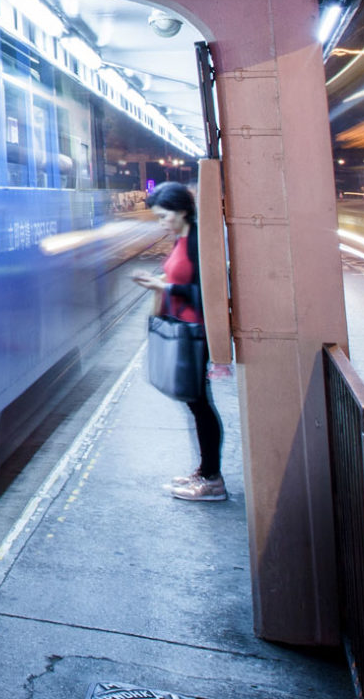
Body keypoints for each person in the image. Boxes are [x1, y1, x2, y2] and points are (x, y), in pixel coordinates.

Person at [130, 182, 223, 502]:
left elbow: (204, 290)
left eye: (164, 216)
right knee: (195, 405)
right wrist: (159, 283)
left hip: (195, 333)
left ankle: (212, 479)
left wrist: (163, 286)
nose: (161, 223)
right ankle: (205, 471)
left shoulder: (197, 241)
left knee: (200, 406)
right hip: (184, 329)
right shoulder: (182, 239)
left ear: (182, 210)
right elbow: (176, 279)